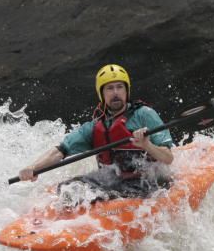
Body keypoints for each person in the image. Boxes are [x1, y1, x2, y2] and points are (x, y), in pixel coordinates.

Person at [19, 64, 174, 204]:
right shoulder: (94, 127)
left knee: (99, 196)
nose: (116, 93)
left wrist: (147, 145)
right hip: (112, 180)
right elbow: (60, 151)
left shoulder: (144, 115)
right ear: (101, 93)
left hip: (147, 182)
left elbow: (168, 157)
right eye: (109, 88)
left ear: (126, 91)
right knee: (67, 188)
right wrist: (34, 167)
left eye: (120, 87)